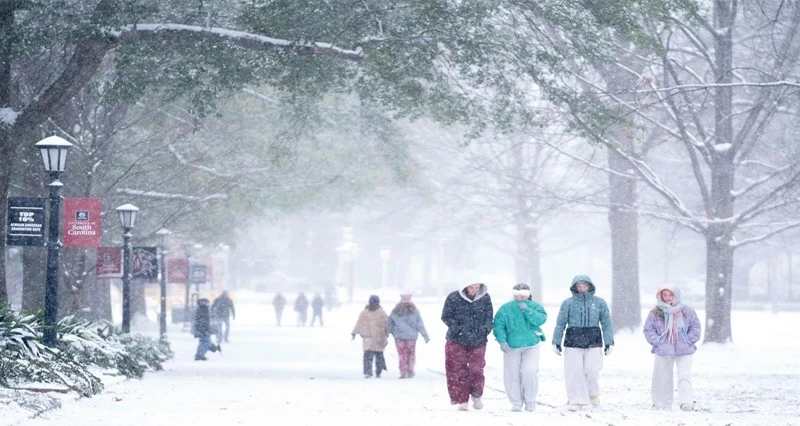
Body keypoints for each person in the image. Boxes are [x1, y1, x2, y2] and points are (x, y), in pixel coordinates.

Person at [552, 275, 614, 411]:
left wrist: (609, 341)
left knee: (592, 369)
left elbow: (606, 323)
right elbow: (560, 323)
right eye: (579, 286)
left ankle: (592, 394)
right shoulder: (567, 303)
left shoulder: (599, 303)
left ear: (590, 286)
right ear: (574, 287)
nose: (582, 289)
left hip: (593, 339)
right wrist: (556, 341)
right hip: (573, 339)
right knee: (574, 371)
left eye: (584, 286)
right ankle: (576, 399)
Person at [643, 285, 701, 412]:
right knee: (662, 376)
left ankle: (686, 402)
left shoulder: (687, 310)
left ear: (677, 295)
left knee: (684, 375)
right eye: (665, 295)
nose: (667, 297)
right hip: (664, 349)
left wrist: (688, 340)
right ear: (661, 296)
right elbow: (648, 329)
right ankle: (661, 403)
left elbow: (695, 327)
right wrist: (658, 342)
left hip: (684, 349)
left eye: (671, 294)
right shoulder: (655, 312)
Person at [493, 283, 548, 412]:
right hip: (512, 346)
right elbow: (498, 325)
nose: (519, 298)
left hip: (531, 344)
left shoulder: (535, 306)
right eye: (517, 296)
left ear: (528, 295)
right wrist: (502, 341)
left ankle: (530, 401)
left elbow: (541, 320)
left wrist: (527, 310)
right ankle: (516, 402)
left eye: (522, 296)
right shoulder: (505, 308)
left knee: (530, 372)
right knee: (512, 374)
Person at [441, 282, 493, 411]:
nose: (474, 290)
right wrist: (458, 328)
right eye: (471, 287)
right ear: (465, 287)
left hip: (478, 339)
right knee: (456, 370)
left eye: (477, 287)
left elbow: (489, 317)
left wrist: (485, 329)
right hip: (456, 339)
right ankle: (461, 399)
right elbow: (446, 316)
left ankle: (476, 394)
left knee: (477, 369)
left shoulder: (485, 298)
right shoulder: (453, 297)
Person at [388, 294, 430, 379]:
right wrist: (425, 335)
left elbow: (390, 324)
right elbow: (420, 324)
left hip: (399, 337)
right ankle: (410, 371)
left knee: (402, 354)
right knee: (411, 354)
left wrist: (390, 332)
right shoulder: (415, 311)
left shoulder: (395, 311)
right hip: (411, 337)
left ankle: (403, 371)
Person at [351, 295, 389, 378]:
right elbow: (386, 324)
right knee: (379, 355)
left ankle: (368, 372)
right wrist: (387, 332)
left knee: (368, 356)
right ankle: (378, 372)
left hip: (368, 338)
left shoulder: (365, 312)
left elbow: (359, 323)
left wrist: (354, 333)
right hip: (378, 337)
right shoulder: (381, 312)